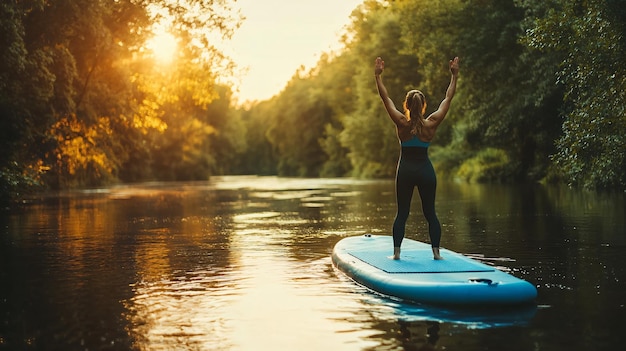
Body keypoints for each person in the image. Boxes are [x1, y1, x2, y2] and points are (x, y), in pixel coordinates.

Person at [374, 56, 459, 260]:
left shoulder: (401, 123)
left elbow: (386, 99)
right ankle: (436, 254)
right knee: (431, 213)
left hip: (405, 171)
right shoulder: (431, 124)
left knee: (402, 214)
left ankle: (396, 255)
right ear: (423, 105)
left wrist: (378, 77)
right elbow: (448, 98)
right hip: (425, 172)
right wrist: (454, 76)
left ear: (407, 104)